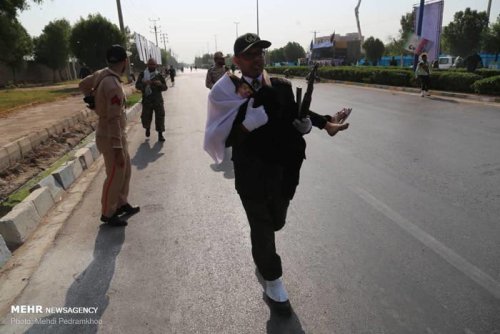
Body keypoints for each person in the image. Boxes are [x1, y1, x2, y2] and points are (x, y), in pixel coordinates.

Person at [203, 33, 350, 316]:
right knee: (262, 226)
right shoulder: (226, 92)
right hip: (250, 174)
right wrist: (246, 126)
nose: (257, 59)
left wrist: (319, 124)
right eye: (250, 55)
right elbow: (220, 138)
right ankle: (273, 279)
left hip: (281, 171)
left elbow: (298, 114)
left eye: (260, 53)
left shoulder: (280, 85)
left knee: (276, 223)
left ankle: (263, 255)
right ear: (236, 61)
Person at [79, 45, 140, 227]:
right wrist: (117, 148)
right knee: (114, 174)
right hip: (110, 135)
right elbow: (113, 119)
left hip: (113, 132)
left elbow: (83, 85)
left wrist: (91, 98)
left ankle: (121, 202)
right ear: (124, 62)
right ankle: (108, 212)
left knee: (125, 171)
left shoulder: (101, 74)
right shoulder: (113, 85)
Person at [135, 58, 168, 142]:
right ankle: (147, 128)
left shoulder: (158, 75)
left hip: (158, 101)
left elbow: (165, 87)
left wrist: (160, 84)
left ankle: (160, 134)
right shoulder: (143, 74)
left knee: (160, 117)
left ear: (156, 65)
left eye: (153, 64)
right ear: (147, 65)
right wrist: (144, 84)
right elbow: (137, 85)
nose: (152, 66)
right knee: (146, 117)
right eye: (150, 64)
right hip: (147, 101)